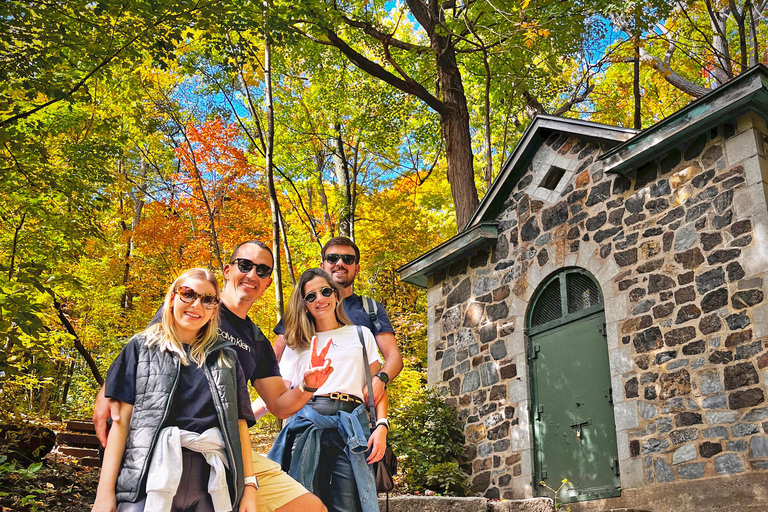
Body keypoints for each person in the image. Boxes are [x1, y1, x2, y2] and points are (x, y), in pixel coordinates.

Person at [93, 242, 331, 512]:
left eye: (262, 270)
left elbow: (277, 403)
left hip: (224, 447)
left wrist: (307, 385)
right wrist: (106, 394)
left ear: (267, 282)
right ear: (228, 270)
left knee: (309, 508)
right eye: (245, 265)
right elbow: (143, 361)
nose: (252, 274)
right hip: (160, 444)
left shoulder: (256, 341)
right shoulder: (190, 307)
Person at [92, 268, 258, 512]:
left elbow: (239, 425)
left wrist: (249, 489)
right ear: (172, 299)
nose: (196, 304)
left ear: (214, 311)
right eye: (188, 294)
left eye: (208, 300)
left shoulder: (227, 357)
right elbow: (121, 423)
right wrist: (104, 494)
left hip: (211, 483)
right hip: (147, 478)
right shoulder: (141, 347)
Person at [267, 268, 387, 512]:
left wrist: (382, 425)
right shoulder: (295, 342)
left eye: (324, 291)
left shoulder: (360, 334)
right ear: (304, 304)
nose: (319, 299)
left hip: (352, 426)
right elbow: (282, 395)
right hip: (307, 423)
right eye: (310, 296)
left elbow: (377, 387)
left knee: (350, 504)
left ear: (335, 294)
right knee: (308, 502)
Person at [273, 237, 402, 405]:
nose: (340, 263)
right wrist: (273, 401)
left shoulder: (370, 309)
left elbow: (393, 357)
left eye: (347, 259)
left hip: (354, 412)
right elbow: (276, 358)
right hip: (304, 411)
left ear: (357, 269)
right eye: (332, 258)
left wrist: (380, 379)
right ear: (322, 266)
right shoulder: (300, 311)